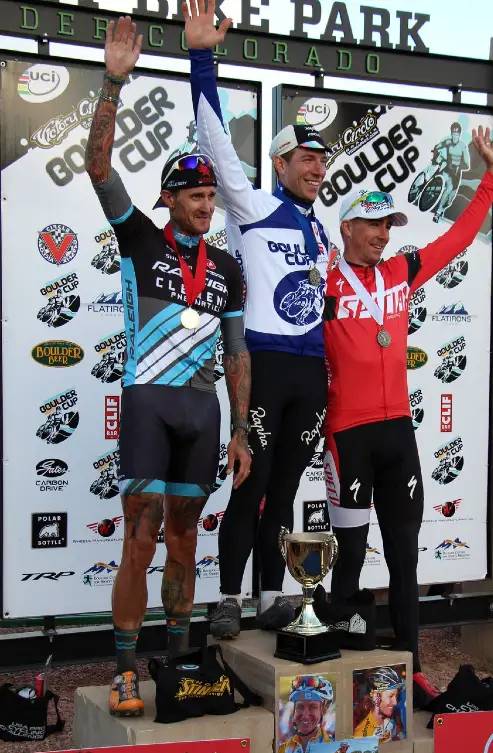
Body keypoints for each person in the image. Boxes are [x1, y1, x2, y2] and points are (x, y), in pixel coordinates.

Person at [84, 16, 251, 716]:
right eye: (195, 197)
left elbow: (237, 353)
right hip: (150, 403)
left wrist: (241, 430)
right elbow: (99, 168)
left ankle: (179, 665)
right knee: (141, 534)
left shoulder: (229, 269)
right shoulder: (139, 238)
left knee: (185, 536)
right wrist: (114, 84)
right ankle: (125, 669)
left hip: (203, 409)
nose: (207, 207)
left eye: (212, 197)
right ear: (170, 201)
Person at [321, 126, 493, 710]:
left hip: (398, 431)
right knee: (348, 557)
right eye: (372, 225)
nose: (382, 235)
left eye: (388, 226)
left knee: (405, 554)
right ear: (347, 227)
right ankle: (339, 670)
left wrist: (490, 177)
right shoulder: (321, 280)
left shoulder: (400, 272)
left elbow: (457, 239)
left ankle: (411, 668)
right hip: (347, 434)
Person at [184, 0, 330, 638]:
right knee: (253, 480)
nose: (315, 168)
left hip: (311, 372)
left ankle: (273, 596)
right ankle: (227, 599)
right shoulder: (250, 207)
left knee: (289, 487)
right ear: (279, 163)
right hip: (264, 365)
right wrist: (201, 58)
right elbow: (214, 138)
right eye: (304, 158)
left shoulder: (323, 231)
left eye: (321, 161)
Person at [278, 675, 334, 753]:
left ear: (324, 708)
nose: (305, 715)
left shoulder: (334, 750)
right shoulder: (282, 751)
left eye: (312, 707)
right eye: (300, 707)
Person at [431, 122, 471, 223]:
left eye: (457, 134)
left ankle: (442, 208)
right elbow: (438, 147)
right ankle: (437, 212)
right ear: (451, 133)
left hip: (456, 174)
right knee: (448, 188)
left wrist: (458, 167)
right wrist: (435, 153)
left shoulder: (463, 146)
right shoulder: (447, 142)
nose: (455, 136)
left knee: (450, 199)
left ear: (459, 135)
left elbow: (467, 164)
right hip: (447, 169)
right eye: (453, 134)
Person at [353, 667, 406, 742]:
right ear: (375, 697)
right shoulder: (361, 735)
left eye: (396, 696)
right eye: (390, 696)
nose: (395, 702)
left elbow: (395, 736)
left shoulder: (389, 721)